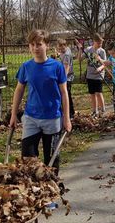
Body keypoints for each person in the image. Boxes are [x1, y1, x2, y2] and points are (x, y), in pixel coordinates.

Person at [9, 29, 72, 166]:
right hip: (31, 118)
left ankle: (53, 186)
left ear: (47, 45)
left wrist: (66, 118)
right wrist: (14, 114)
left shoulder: (57, 67)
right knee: (28, 159)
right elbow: (19, 90)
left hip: (52, 118)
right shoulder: (26, 67)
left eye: (39, 44)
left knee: (52, 159)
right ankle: (33, 186)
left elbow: (64, 93)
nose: (35, 48)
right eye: (32, 44)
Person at [78, 33, 107, 117]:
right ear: (94, 41)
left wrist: (100, 68)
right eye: (99, 43)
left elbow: (105, 64)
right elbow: (79, 59)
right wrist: (80, 49)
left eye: (101, 43)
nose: (100, 44)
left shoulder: (102, 51)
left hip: (99, 75)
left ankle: (103, 110)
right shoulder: (88, 49)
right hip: (90, 75)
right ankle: (95, 111)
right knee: (92, 94)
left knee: (99, 93)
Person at [56, 38, 75, 119]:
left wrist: (63, 79)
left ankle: (70, 113)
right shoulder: (66, 50)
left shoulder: (66, 55)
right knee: (66, 94)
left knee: (67, 95)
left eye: (62, 48)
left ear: (65, 46)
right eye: (59, 48)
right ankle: (70, 112)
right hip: (66, 77)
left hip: (67, 77)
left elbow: (66, 67)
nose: (60, 49)